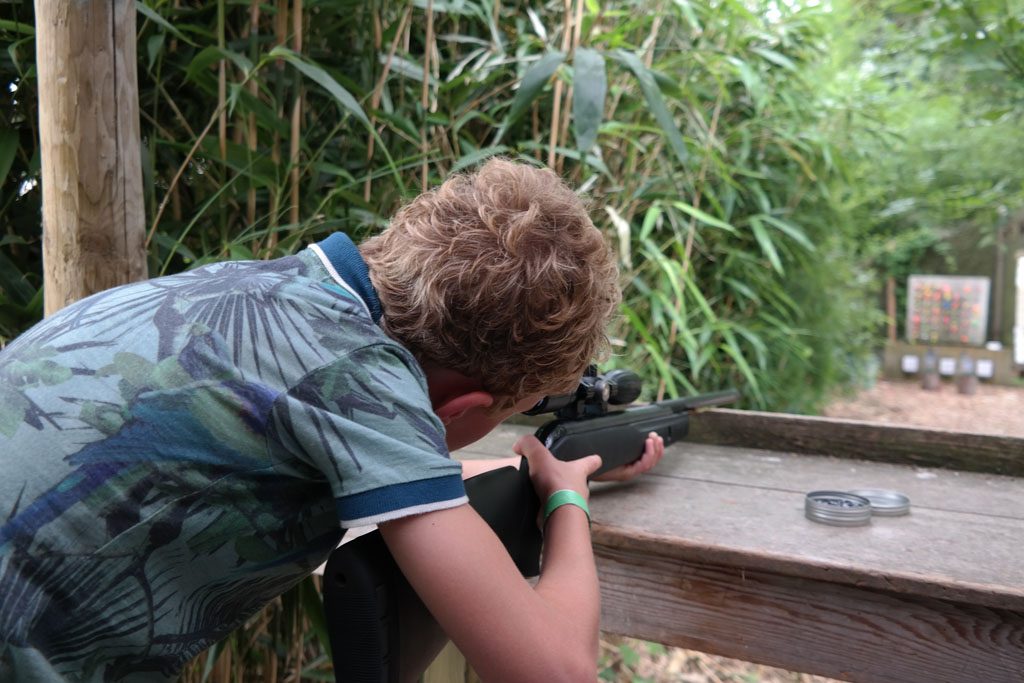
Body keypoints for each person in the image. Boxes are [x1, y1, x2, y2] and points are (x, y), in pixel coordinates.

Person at [0, 158, 664, 682]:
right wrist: (566, 495)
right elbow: (555, 669)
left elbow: (399, 468)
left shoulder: (269, 293)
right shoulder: (363, 385)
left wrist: (524, 463)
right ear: (462, 409)